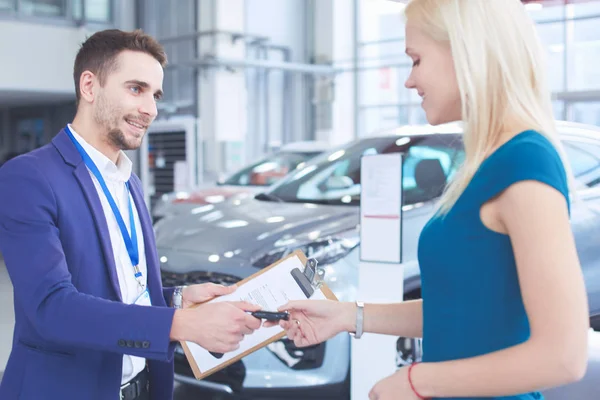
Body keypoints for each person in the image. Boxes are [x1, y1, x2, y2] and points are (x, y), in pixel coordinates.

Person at [269, 1, 590, 399]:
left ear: (466, 51)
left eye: (416, 60)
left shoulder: (525, 159)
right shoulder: (485, 161)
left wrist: (415, 381)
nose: (409, 80)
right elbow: (460, 308)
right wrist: (346, 316)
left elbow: (563, 355)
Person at [0, 29, 262, 400]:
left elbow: (119, 285)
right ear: (90, 86)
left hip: (142, 386)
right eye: (136, 89)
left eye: (155, 95)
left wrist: (175, 299)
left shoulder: (129, 182)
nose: (151, 109)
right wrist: (179, 324)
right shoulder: (29, 177)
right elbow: (51, 307)